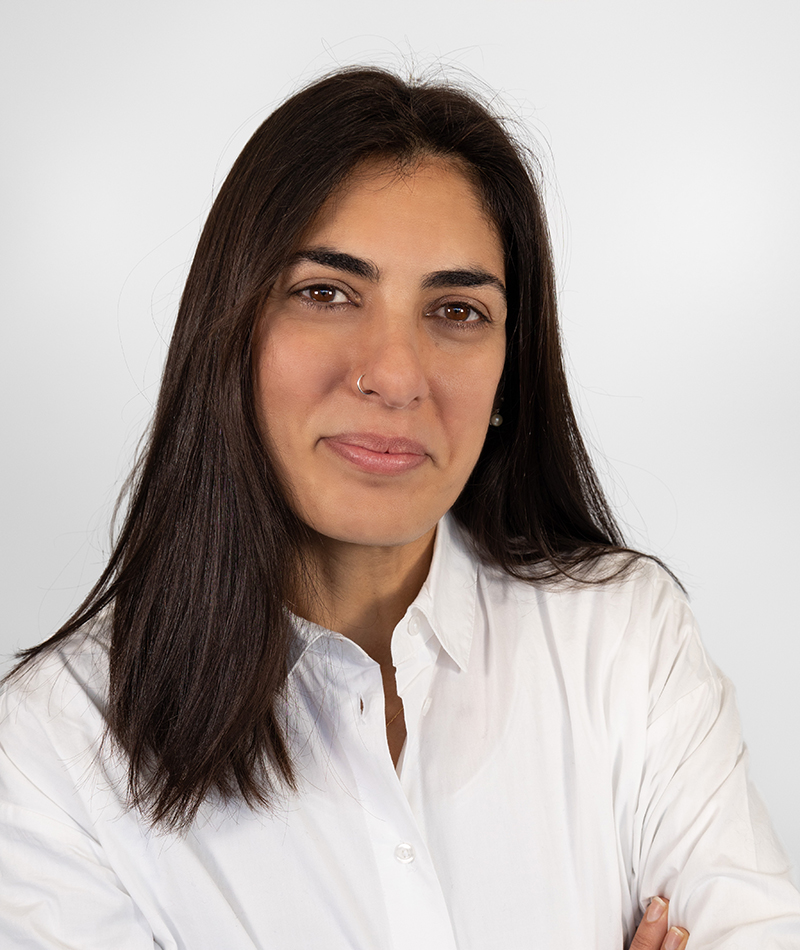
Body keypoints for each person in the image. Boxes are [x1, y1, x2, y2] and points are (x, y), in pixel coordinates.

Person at [1, 66, 798, 950]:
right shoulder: (53, 752)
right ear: (231, 333)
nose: (394, 374)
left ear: (511, 372)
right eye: (326, 293)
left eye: (457, 310)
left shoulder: (623, 639)